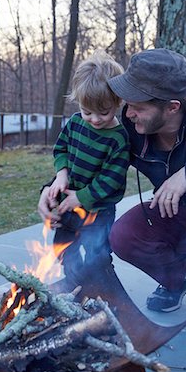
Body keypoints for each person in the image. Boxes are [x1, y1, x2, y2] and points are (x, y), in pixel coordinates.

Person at [106, 47, 186, 347]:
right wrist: (60, 189)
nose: (129, 112)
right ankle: (180, 275)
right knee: (124, 234)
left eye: (137, 106)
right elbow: (100, 159)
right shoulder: (131, 124)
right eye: (128, 103)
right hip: (174, 213)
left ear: (172, 107)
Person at [42, 50, 130, 289]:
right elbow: (61, 150)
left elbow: (111, 179)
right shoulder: (74, 123)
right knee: (63, 247)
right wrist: (61, 175)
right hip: (68, 203)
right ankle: (75, 283)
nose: (95, 119)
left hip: (98, 210)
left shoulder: (118, 139)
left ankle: (102, 288)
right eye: (87, 112)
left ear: (117, 103)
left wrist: (80, 198)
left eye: (104, 112)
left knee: (97, 253)